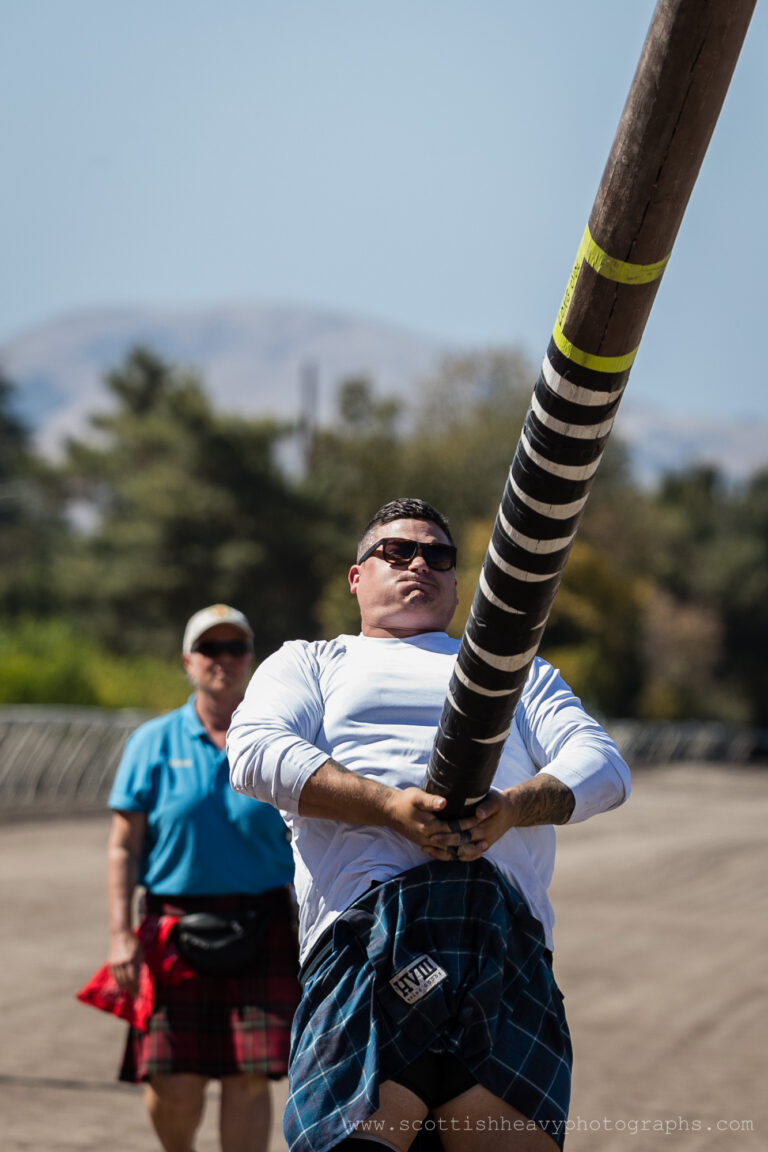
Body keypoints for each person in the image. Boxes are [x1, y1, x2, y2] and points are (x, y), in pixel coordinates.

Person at [227, 499, 631, 1152]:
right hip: (367, 934)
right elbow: (254, 753)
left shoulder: (518, 673)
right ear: (355, 577)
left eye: (438, 555)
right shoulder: (311, 661)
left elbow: (604, 767)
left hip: (504, 939)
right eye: (396, 551)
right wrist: (390, 808)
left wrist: (513, 809)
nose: (419, 563)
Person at [105, 604, 300, 1152]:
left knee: (249, 1076)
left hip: (263, 922)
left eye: (234, 648)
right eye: (210, 649)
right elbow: (123, 848)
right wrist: (121, 935)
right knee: (174, 1081)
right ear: (188, 662)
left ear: (250, 659)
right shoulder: (152, 741)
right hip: (171, 926)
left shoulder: (278, 739)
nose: (223, 660)